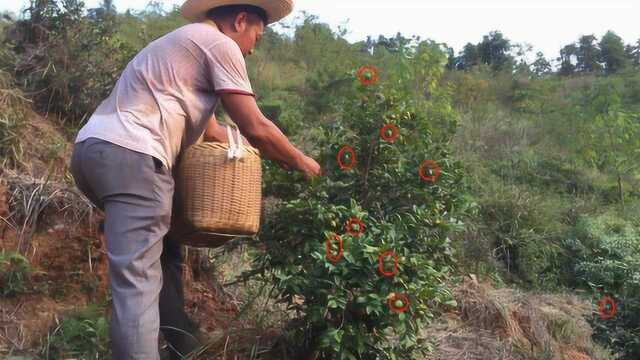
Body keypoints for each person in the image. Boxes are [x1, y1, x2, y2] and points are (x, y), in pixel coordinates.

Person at [69, 0, 321, 358]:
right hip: (136, 156)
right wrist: (300, 162)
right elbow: (256, 125)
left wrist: (260, 151)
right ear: (240, 20)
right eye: (256, 38)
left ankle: (179, 344)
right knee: (137, 282)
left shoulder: (184, 44)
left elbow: (219, 133)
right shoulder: (221, 44)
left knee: (165, 253)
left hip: (94, 152)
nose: (251, 49)